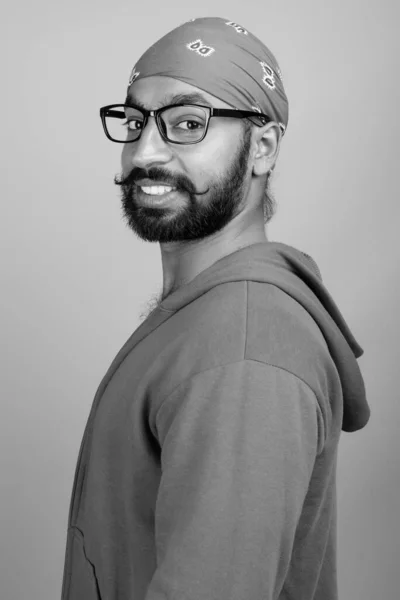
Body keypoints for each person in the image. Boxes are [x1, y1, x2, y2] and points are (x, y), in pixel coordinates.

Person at [61, 17, 370, 600]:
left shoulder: (245, 347)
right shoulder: (207, 315)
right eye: (134, 121)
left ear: (262, 147)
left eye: (187, 123)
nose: (144, 151)